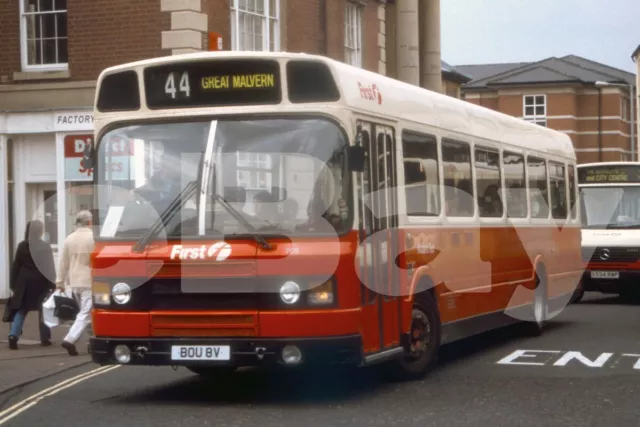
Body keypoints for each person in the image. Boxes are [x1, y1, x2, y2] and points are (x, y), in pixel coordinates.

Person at [7, 220, 56, 350]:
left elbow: (16, 266)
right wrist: (53, 284)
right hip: (41, 282)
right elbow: (49, 267)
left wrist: (12, 284)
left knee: (21, 310)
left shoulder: (22, 246)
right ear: (40, 231)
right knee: (43, 310)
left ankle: (13, 335)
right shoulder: (45, 246)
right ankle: (45, 338)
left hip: (23, 282)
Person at [56, 210, 95, 356]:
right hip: (90, 281)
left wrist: (60, 282)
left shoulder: (69, 239)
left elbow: (63, 263)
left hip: (75, 282)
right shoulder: (93, 238)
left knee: (88, 313)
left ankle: (93, 341)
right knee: (85, 313)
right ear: (90, 222)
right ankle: (70, 339)